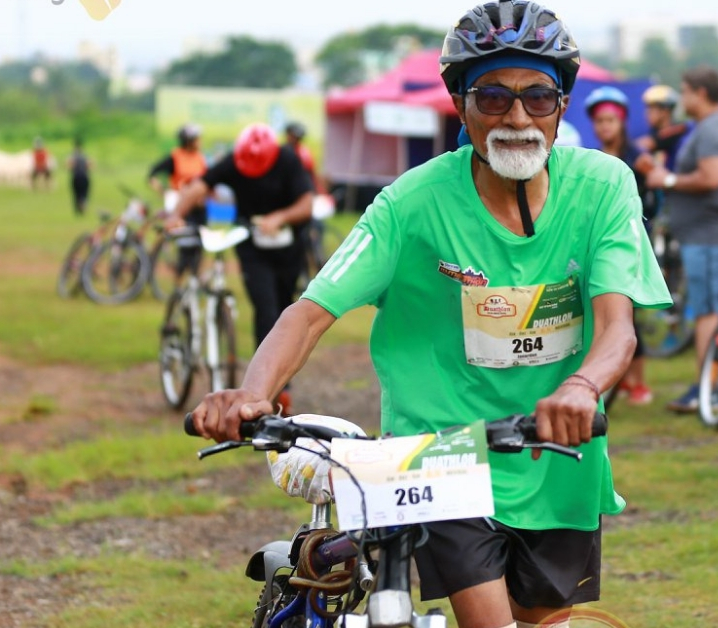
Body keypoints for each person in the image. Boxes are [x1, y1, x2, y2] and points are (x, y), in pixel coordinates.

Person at [188, 2, 670, 625]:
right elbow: (310, 312)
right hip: (443, 455)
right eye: (492, 97)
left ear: (563, 104)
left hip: (557, 459)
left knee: (545, 619)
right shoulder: (409, 203)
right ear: (459, 103)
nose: (517, 118)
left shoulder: (605, 187)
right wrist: (253, 392)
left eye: (538, 97)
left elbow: (616, 326)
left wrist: (582, 386)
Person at [169, 124, 314, 414]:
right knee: (266, 309)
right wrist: (176, 214)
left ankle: (281, 380)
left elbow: (307, 204)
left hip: (289, 249)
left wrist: (279, 217)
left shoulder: (288, 159)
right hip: (252, 248)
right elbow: (199, 185)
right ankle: (273, 389)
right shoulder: (234, 161)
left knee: (288, 311)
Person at [642, 66, 718, 413]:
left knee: (709, 312)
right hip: (708, 235)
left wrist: (667, 180)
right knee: (716, 311)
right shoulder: (710, 127)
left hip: (712, 236)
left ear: (701, 93)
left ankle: (709, 388)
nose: (681, 99)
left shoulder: (714, 128)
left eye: (684, 91)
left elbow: (711, 177)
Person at [584, 85, 656, 406]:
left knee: (628, 314)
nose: (605, 127)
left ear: (622, 122)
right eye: (599, 121)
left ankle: (638, 383)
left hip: (633, 239)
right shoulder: (592, 158)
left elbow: (658, 189)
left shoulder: (638, 156)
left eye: (611, 120)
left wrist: (650, 220)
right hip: (598, 240)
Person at [149, 123, 207, 208]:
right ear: (189, 141)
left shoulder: (199, 157)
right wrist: (163, 192)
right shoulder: (175, 157)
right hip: (179, 201)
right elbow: (152, 174)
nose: (200, 141)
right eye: (197, 139)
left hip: (197, 203)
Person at [636, 84, 690, 172]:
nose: (647, 113)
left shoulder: (679, 130)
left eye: (652, 108)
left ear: (665, 111)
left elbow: (649, 142)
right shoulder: (652, 131)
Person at [283, 121, 326, 194]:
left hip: (300, 190)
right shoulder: (282, 151)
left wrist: (319, 190)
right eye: (292, 136)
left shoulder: (304, 153)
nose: (294, 139)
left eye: (297, 138)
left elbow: (311, 174)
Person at [68, 138, 91, 217]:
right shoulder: (85, 156)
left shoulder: (73, 156)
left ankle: (77, 208)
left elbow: (70, 165)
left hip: (76, 176)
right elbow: (90, 165)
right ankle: (83, 203)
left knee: (76, 193)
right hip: (85, 176)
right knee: (84, 192)